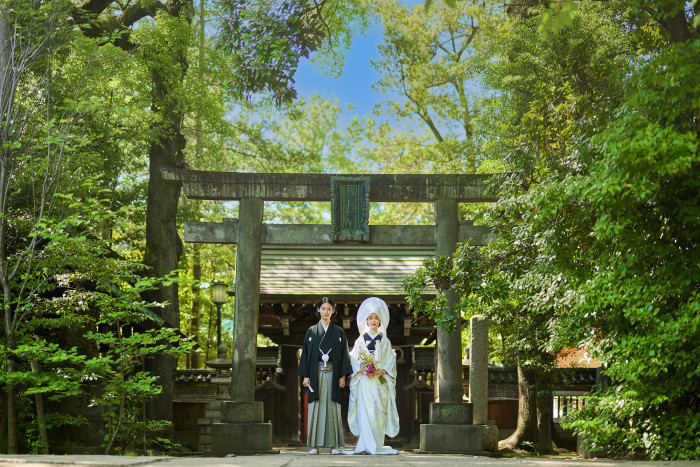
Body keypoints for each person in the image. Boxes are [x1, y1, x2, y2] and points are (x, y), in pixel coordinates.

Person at [298, 297, 352, 454]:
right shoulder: (311, 331)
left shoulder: (339, 332)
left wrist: (343, 376)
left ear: (333, 311)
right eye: (323, 308)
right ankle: (314, 445)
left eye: (329, 309)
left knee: (332, 406)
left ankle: (334, 445)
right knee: (316, 406)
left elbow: (344, 356)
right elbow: (306, 355)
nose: (326, 311)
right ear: (318, 310)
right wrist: (306, 376)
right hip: (315, 374)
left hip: (333, 374)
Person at [347, 297, 400, 455]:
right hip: (365, 381)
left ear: (380, 320)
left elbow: (391, 359)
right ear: (366, 320)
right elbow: (354, 359)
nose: (373, 320)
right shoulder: (359, 341)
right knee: (365, 410)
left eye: (376, 318)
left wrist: (382, 370)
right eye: (370, 318)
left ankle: (376, 444)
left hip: (380, 381)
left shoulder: (386, 340)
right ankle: (364, 444)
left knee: (378, 411)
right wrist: (364, 369)